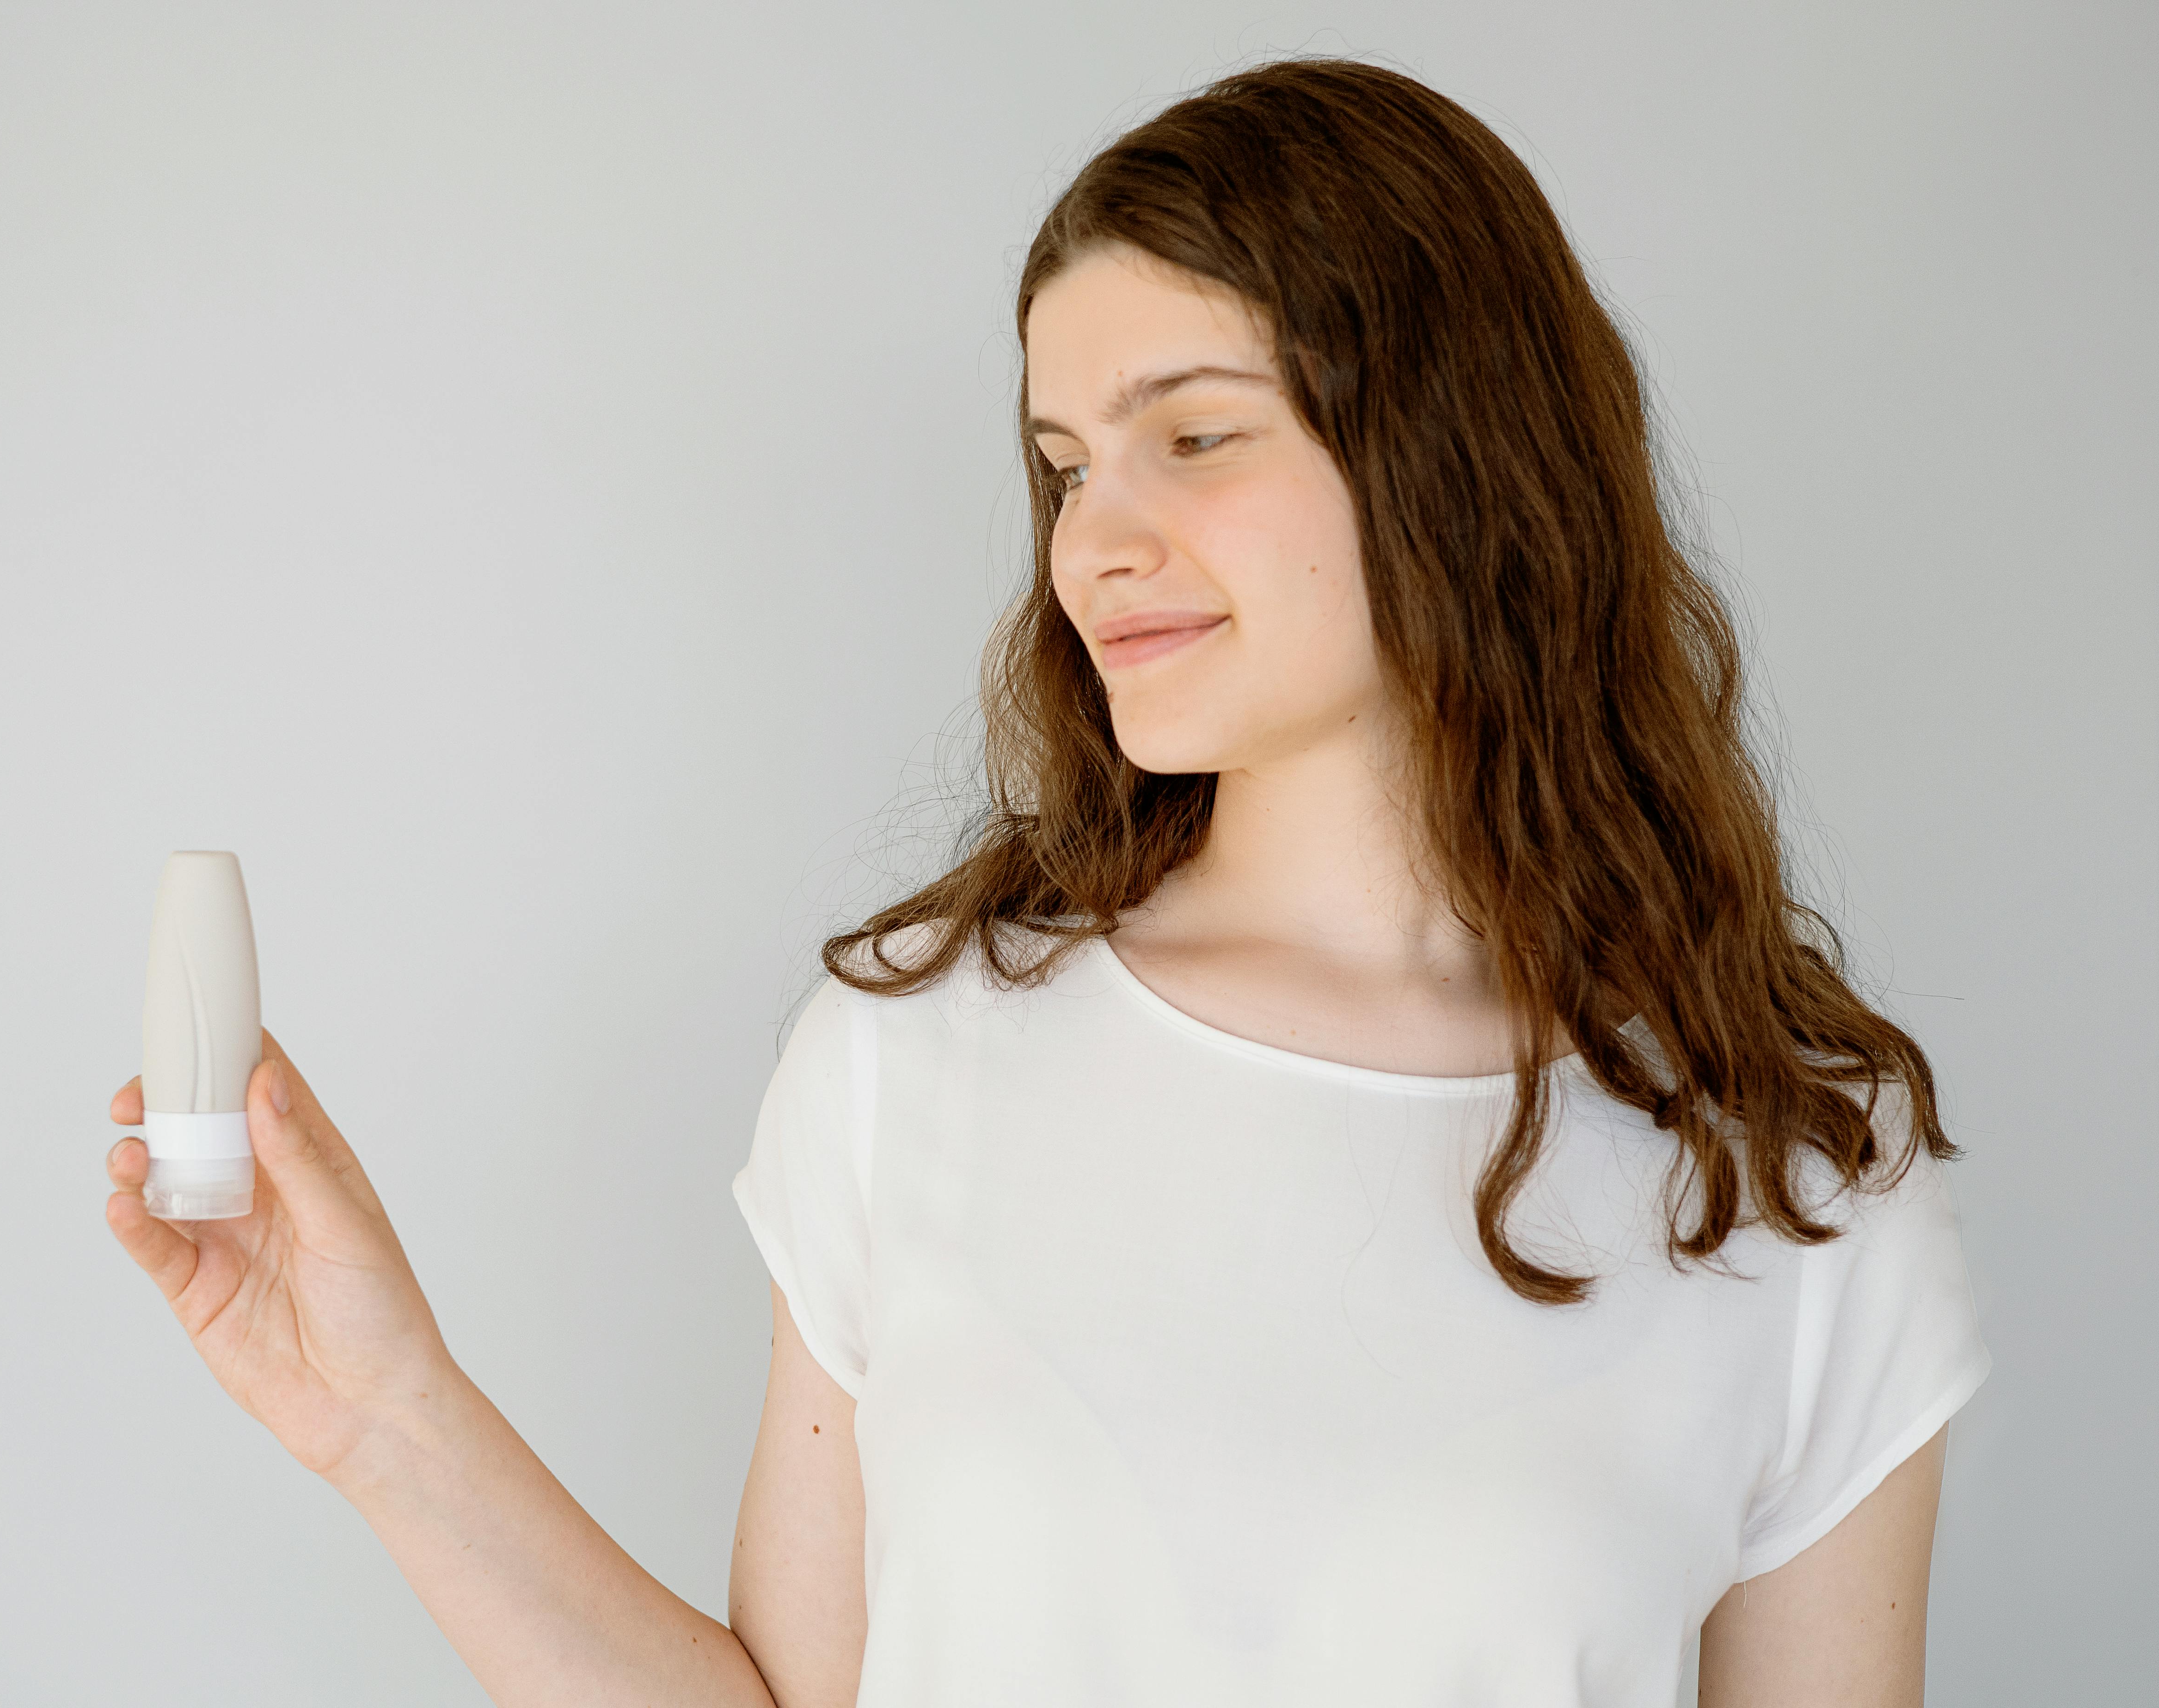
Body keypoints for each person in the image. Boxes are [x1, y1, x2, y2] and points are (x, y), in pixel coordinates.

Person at [101, 56, 1989, 1708]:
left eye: (1194, 436)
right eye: (1064, 463)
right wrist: (385, 1417)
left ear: (1455, 457)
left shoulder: (1793, 1182)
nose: (1099, 541)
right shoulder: (915, 1061)